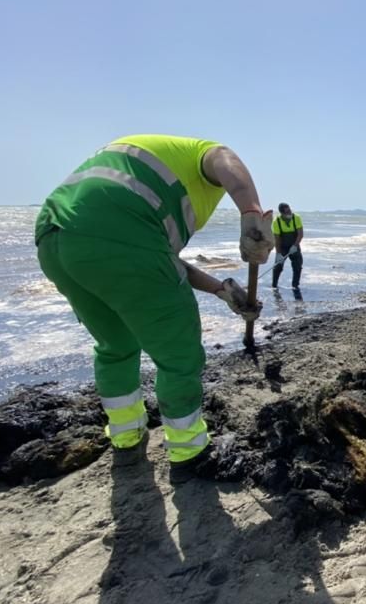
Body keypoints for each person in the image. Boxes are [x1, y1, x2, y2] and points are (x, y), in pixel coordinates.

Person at [35, 134, 273, 481]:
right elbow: (224, 157)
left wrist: (223, 291)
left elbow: (159, 262)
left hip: (55, 237)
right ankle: (189, 452)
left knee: (116, 345)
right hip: (117, 231)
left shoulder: (141, 165)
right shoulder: (201, 154)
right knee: (177, 350)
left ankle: (127, 436)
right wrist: (251, 213)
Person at [271, 202, 304, 289]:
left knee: (297, 266)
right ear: (282, 213)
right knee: (278, 266)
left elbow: (300, 234)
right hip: (282, 246)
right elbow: (277, 239)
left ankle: (295, 285)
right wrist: (278, 253)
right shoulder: (276, 222)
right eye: (286, 212)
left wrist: (295, 246)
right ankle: (274, 285)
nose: (289, 213)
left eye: (289, 210)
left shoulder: (296, 218)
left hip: (294, 244)